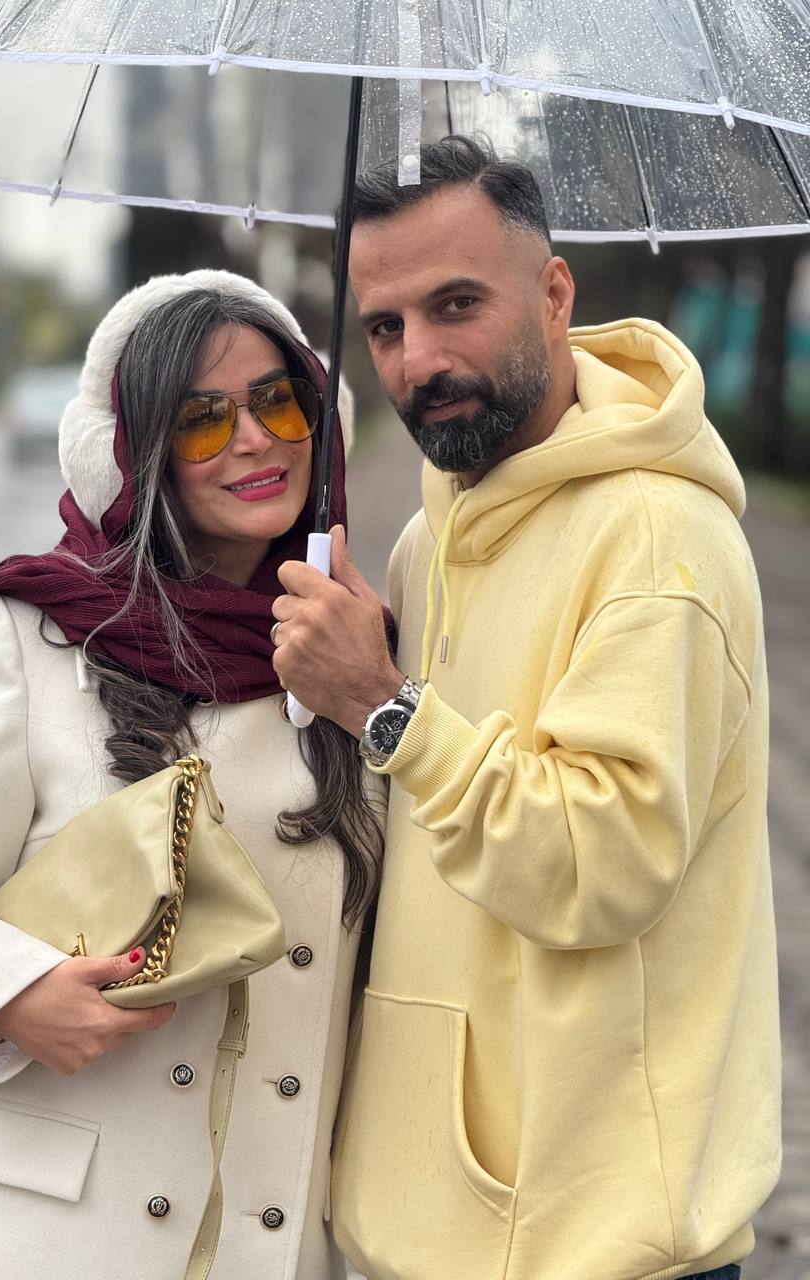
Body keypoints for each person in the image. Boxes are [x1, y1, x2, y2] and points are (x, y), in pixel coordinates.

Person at [271, 138, 781, 1280]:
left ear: (554, 295)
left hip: (592, 1240)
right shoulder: (431, 533)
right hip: (429, 1225)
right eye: (385, 326)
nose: (420, 359)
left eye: (456, 304)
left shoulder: (657, 540)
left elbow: (599, 864)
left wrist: (387, 709)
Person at [0, 270, 386, 1280]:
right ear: (134, 454)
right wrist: (10, 994)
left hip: (267, 1237)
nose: (254, 440)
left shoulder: (360, 659)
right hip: (44, 1240)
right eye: (201, 420)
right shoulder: (30, 631)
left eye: (279, 401)